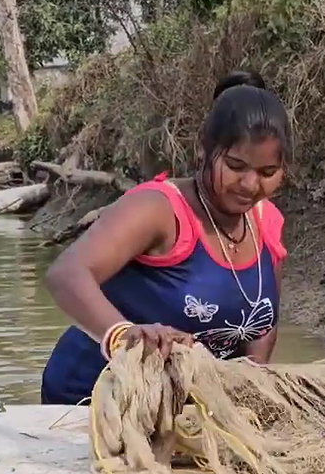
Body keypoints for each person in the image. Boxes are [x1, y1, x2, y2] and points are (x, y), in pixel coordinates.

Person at [39, 70, 291, 405]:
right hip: (95, 398)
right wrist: (124, 334)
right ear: (204, 149)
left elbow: (262, 327)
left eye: (267, 173)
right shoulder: (158, 209)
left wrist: (247, 399)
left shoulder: (267, 222)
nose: (249, 184)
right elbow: (66, 274)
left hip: (184, 407)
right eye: (235, 166)